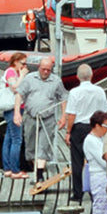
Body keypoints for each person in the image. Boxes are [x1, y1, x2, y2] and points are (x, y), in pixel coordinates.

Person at [14, 56, 68, 185]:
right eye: (43, 69)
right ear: (39, 67)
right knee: (31, 145)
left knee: (43, 146)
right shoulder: (30, 78)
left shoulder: (56, 81)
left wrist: (63, 116)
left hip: (48, 118)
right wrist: (16, 113)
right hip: (30, 116)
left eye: (48, 70)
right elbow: (19, 94)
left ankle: (39, 175)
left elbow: (63, 98)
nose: (45, 72)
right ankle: (36, 169)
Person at [62, 63, 107, 202]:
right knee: (95, 159)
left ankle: (77, 193)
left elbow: (72, 115)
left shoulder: (74, 92)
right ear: (91, 75)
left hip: (79, 127)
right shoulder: (99, 91)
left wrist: (68, 132)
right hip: (95, 127)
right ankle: (96, 190)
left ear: (77, 76)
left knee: (77, 161)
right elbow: (104, 111)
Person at [1, 52, 29, 179]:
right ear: (16, 62)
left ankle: (7, 168)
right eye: (23, 63)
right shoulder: (11, 72)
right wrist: (22, 75)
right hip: (13, 108)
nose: (24, 66)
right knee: (17, 139)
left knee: (9, 138)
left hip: (15, 108)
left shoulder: (15, 72)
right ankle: (15, 170)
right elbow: (15, 88)